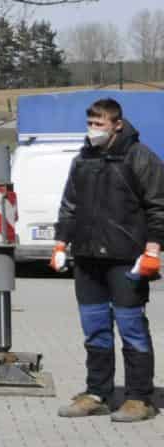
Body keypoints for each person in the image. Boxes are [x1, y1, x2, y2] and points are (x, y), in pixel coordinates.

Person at [52, 98, 164, 422]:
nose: (93, 130)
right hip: (87, 259)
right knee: (95, 329)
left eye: (99, 124)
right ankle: (97, 393)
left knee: (131, 328)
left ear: (117, 124)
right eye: (90, 123)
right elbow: (69, 206)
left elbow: (158, 206)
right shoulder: (83, 159)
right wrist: (60, 244)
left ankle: (139, 398)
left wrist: (153, 249)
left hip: (126, 259)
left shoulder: (140, 157)